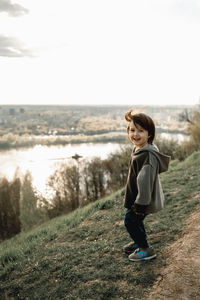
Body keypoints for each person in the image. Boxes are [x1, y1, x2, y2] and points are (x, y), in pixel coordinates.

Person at [123, 108, 170, 262]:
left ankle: (145, 249)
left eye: (140, 131)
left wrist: (140, 205)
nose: (135, 134)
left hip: (142, 199)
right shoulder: (140, 149)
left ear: (149, 134)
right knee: (136, 222)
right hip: (137, 196)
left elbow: (144, 182)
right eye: (132, 130)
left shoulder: (148, 156)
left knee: (130, 221)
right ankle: (138, 241)